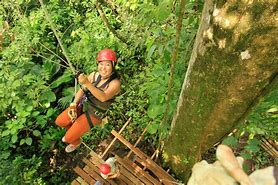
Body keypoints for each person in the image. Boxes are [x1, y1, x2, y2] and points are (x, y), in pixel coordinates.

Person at [55, 49, 121, 153]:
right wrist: (73, 104)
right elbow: (82, 90)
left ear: (113, 66)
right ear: (97, 64)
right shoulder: (94, 75)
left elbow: (103, 97)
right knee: (60, 121)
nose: (103, 68)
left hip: (93, 113)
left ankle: (75, 141)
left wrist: (87, 83)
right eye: (101, 64)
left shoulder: (115, 83)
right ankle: (75, 132)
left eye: (107, 65)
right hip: (82, 104)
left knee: (67, 139)